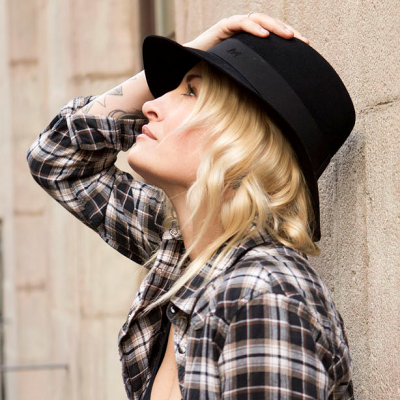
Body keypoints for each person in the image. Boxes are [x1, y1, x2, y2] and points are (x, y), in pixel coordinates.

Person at [27, 12, 355, 400]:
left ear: (243, 142)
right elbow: (56, 158)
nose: (152, 104)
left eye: (191, 92)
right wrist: (195, 49)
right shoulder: (184, 252)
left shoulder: (262, 297)